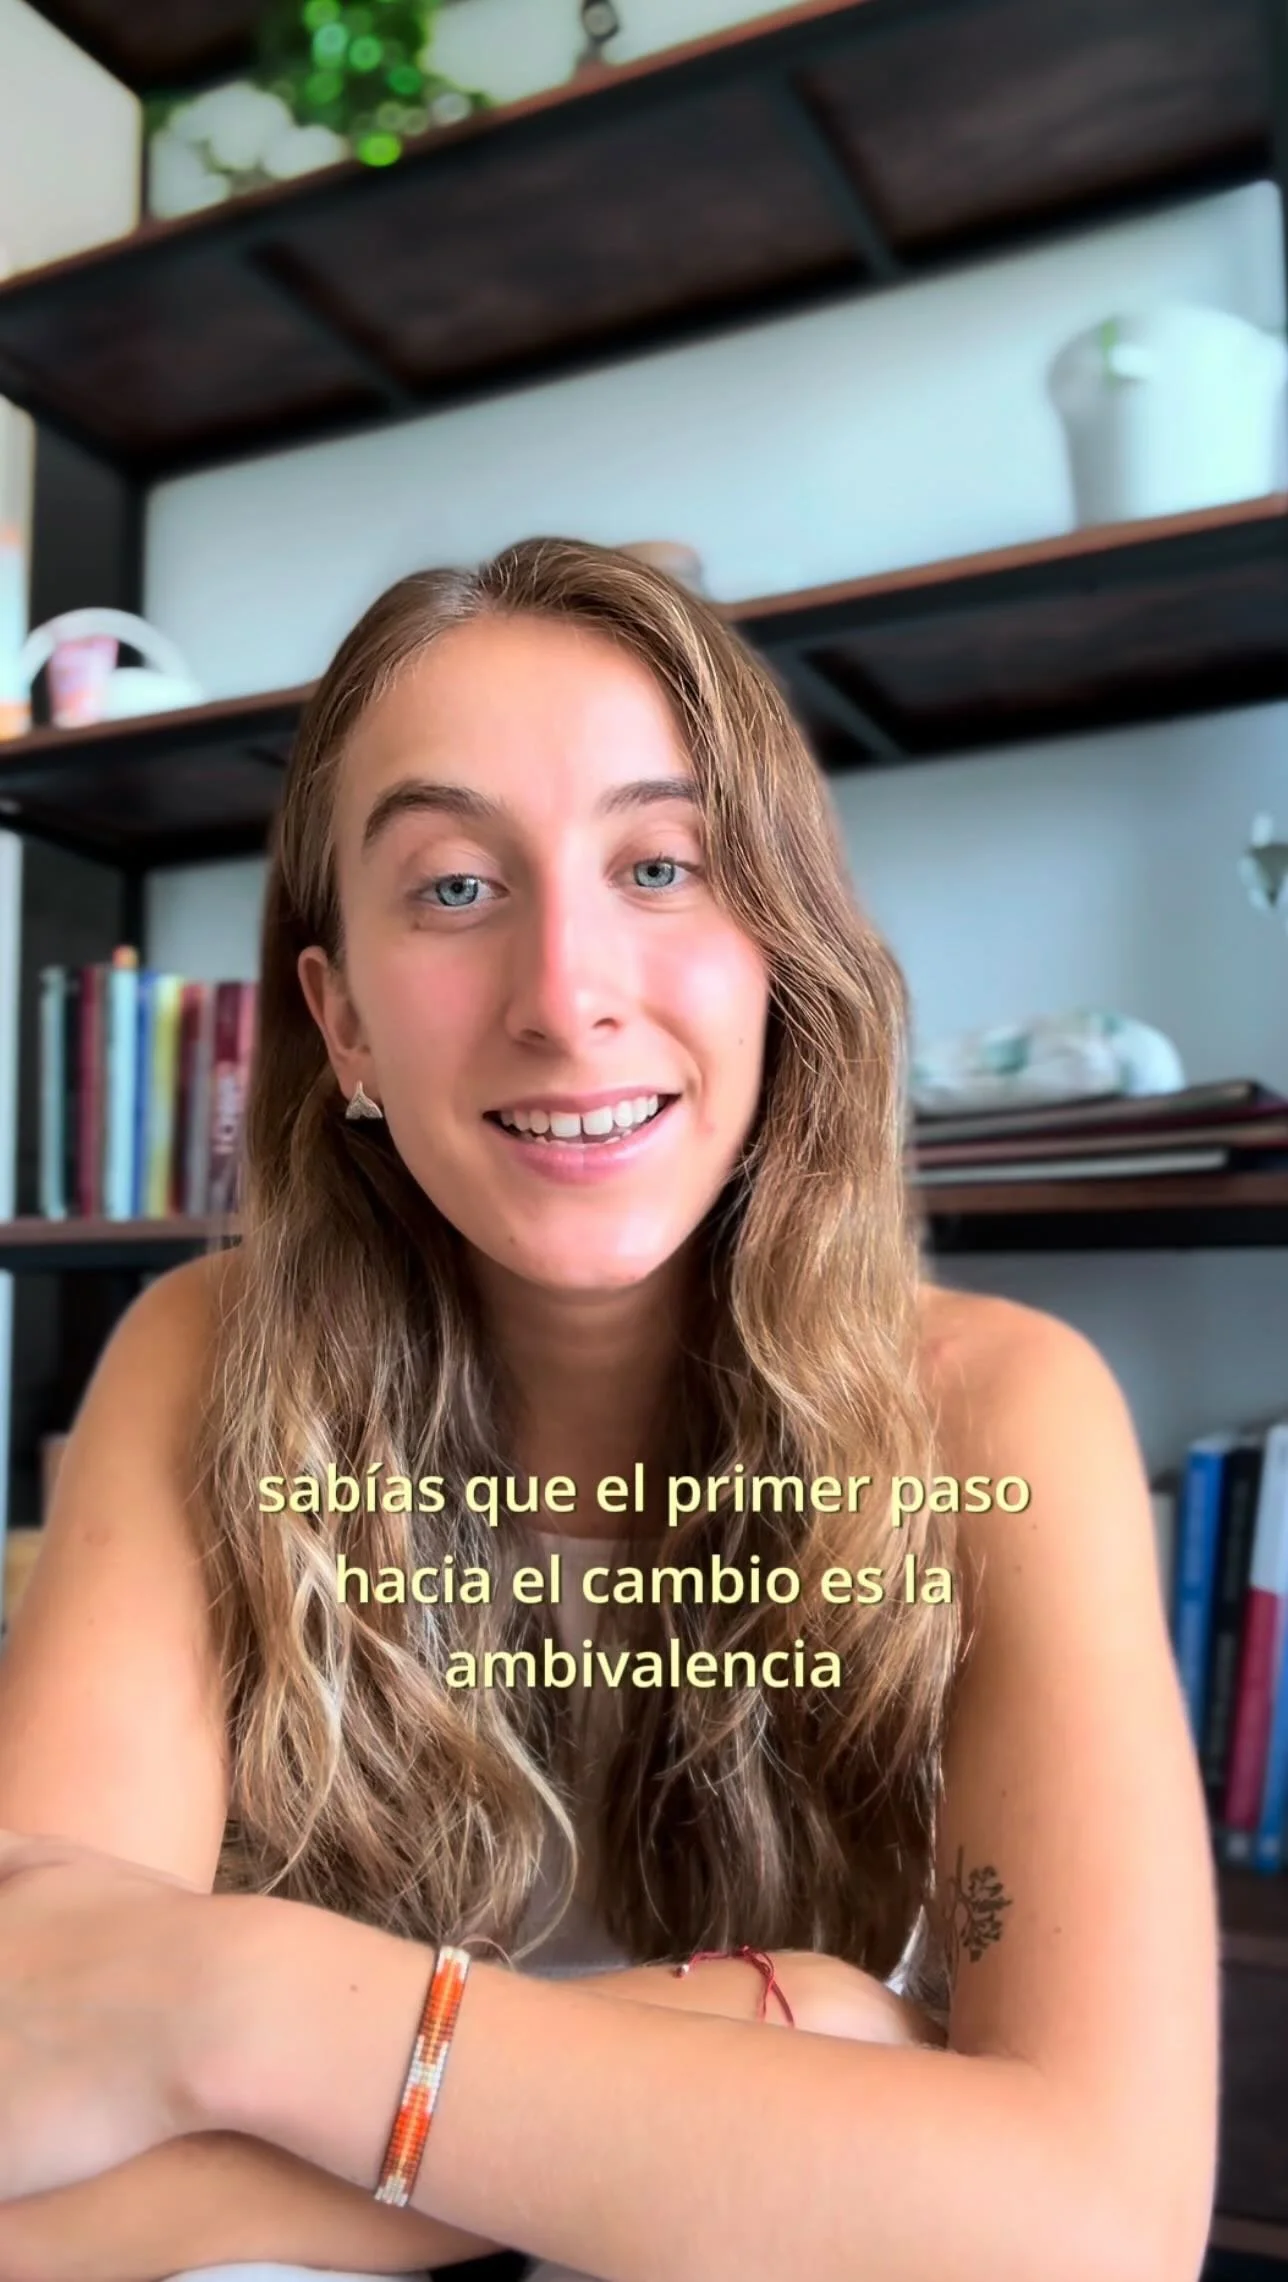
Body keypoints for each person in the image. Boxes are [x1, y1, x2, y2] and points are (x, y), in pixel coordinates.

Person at [0, 538, 1217, 2282]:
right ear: (340, 1024)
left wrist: (232, 2004)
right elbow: (25, 2119)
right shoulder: (202, 1358)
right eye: (451, 887)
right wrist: (775, 2030)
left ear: (782, 949)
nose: (567, 998)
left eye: (660, 865)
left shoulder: (1006, 1414)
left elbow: (1096, 2227)